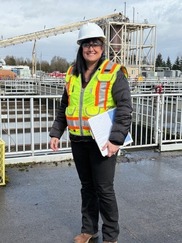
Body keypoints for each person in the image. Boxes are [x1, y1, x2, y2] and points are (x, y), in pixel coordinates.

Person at [49, 22, 132, 243]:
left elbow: (125, 108)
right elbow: (64, 106)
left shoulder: (114, 72)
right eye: (87, 44)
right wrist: (56, 132)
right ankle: (88, 230)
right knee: (87, 188)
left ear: (102, 47)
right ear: (81, 47)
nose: (91, 48)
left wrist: (116, 139)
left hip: (103, 142)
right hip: (78, 140)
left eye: (95, 44)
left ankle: (111, 237)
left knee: (104, 190)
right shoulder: (71, 73)